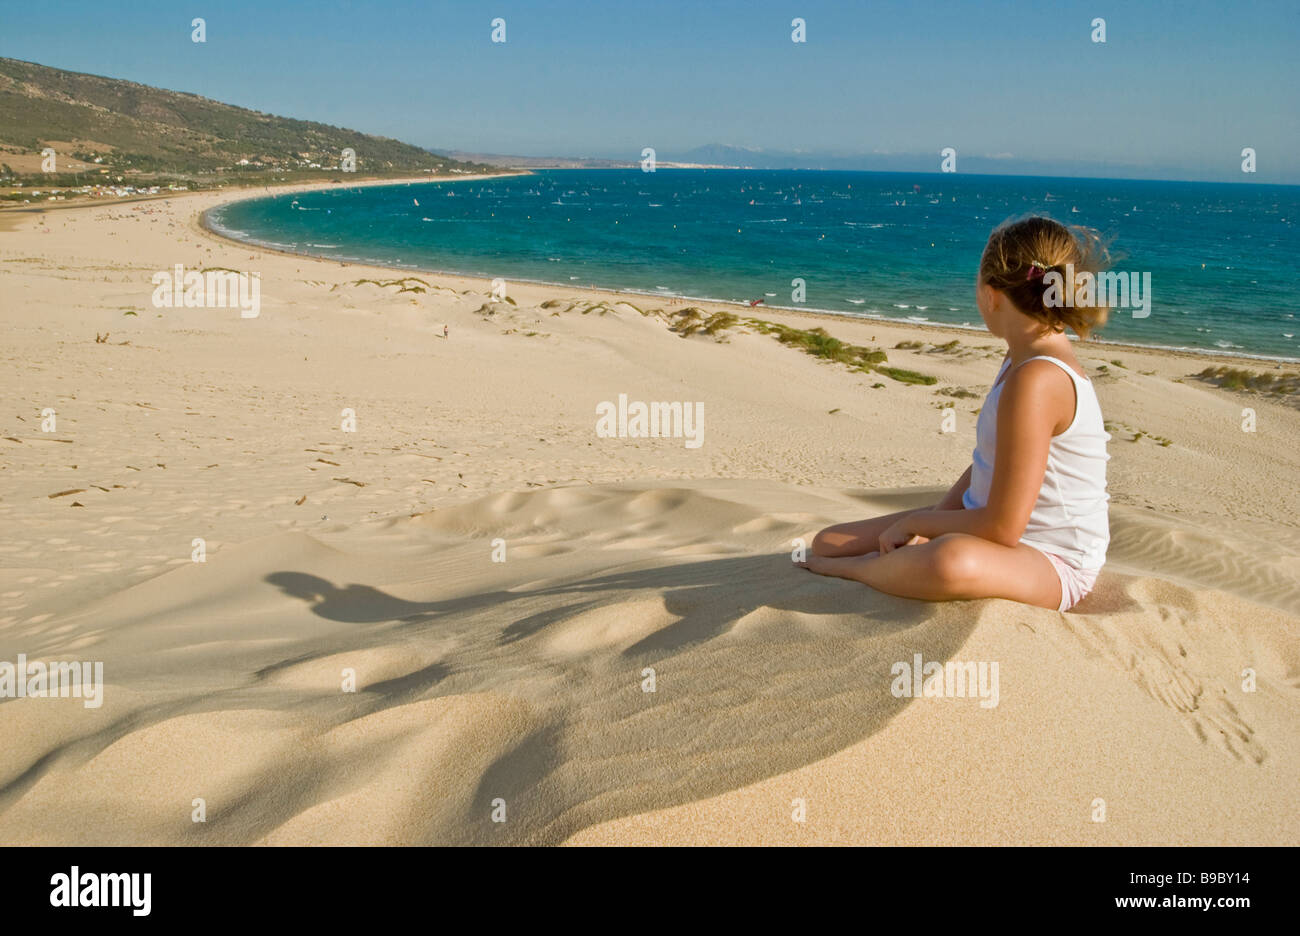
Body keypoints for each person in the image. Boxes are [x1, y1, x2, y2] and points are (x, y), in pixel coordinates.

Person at [800, 216, 1111, 612]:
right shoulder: (1019, 359)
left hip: (1049, 560)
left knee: (950, 562)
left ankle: (863, 571)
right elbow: (989, 463)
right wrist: (935, 516)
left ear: (993, 295)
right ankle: (882, 562)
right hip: (988, 531)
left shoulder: (1038, 379)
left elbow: (1003, 527)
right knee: (830, 541)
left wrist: (917, 526)